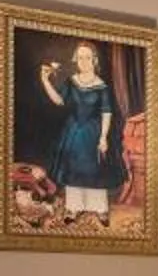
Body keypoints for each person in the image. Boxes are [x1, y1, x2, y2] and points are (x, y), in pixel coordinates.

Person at [37, 41, 122, 225]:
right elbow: (59, 101)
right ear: (76, 60)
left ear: (94, 60)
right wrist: (45, 81)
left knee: (95, 170)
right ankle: (73, 208)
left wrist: (103, 137)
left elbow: (106, 112)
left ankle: (100, 209)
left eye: (87, 57)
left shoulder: (102, 86)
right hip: (74, 132)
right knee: (73, 170)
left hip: (94, 133)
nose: (84, 61)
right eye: (80, 57)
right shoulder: (71, 81)